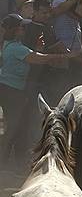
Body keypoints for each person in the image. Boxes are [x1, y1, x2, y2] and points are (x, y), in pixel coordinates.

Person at [0, 13, 71, 162]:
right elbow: (38, 59)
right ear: (14, 30)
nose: (23, 30)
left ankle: (10, 158)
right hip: (11, 90)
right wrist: (63, 57)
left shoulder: (14, 46)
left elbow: (34, 56)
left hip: (11, 89)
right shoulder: (15, 48)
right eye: (21, 28)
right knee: (14, 124)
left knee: (16, 124)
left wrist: (39, 49)